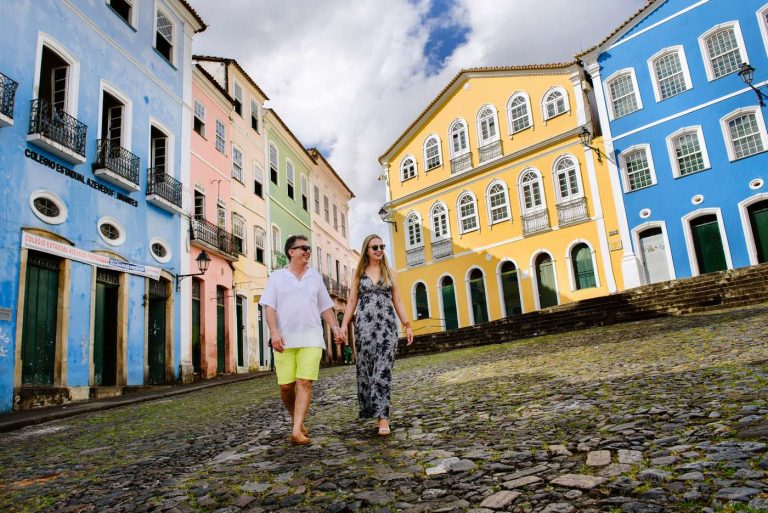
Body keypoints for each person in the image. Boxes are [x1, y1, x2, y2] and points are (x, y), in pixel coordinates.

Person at [260, 234, 340, 445]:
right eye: (302, 248)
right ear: (291, 251)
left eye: (309, 248)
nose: (307, 251)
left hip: (312, 338)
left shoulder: (315, 277)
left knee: (303, 383)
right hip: (284, 340)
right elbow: (269, 306)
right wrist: (274, 333)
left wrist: (335, 328)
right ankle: (298, 420)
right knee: (286, 387)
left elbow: (325, 307)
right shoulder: (276, 277)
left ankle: (296, 430)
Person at [339, 234, 413, 437]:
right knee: (368, 371)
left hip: (387, 328)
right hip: (364, 329)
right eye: (375, 247)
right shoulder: (358, 273)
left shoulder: (390, 272)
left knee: (383, 370)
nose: (379, 250)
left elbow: (397, 299)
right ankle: (373, 409)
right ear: (367, 250)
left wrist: (406, 324)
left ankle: (383, 418)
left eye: (382, 246)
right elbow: (352, 301)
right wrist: (344, 325)